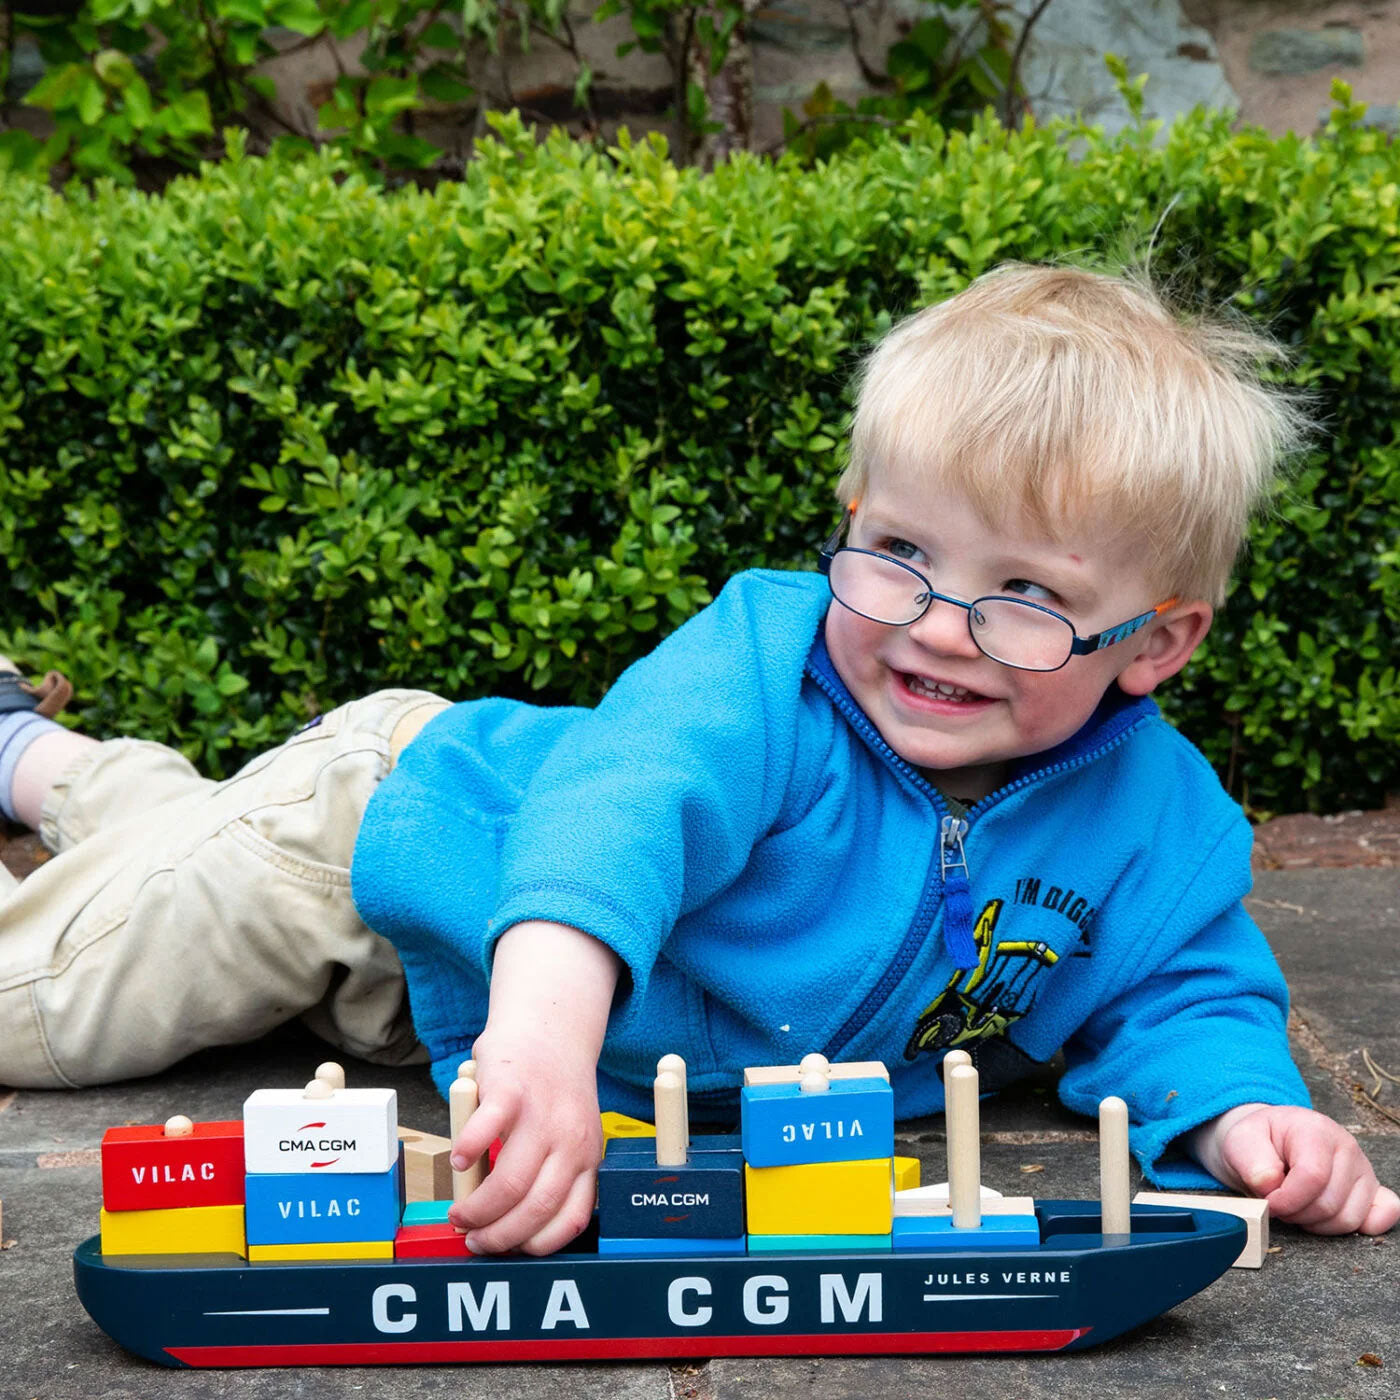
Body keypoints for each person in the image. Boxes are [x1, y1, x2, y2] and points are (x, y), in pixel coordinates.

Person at [2, 263, 1395, 1257]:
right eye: (900, 552)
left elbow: (1185, 989)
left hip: (443, 1004)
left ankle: (34, 752)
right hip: (375, 848)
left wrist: (1243, 1112)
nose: (937, 628)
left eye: (1025, 596)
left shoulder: (1162, 831)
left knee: (160, 841)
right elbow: (618, 816)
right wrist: (543, 1038)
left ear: (1157, 642)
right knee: (52, 1003)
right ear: (851, 516)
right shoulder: (763, 669)